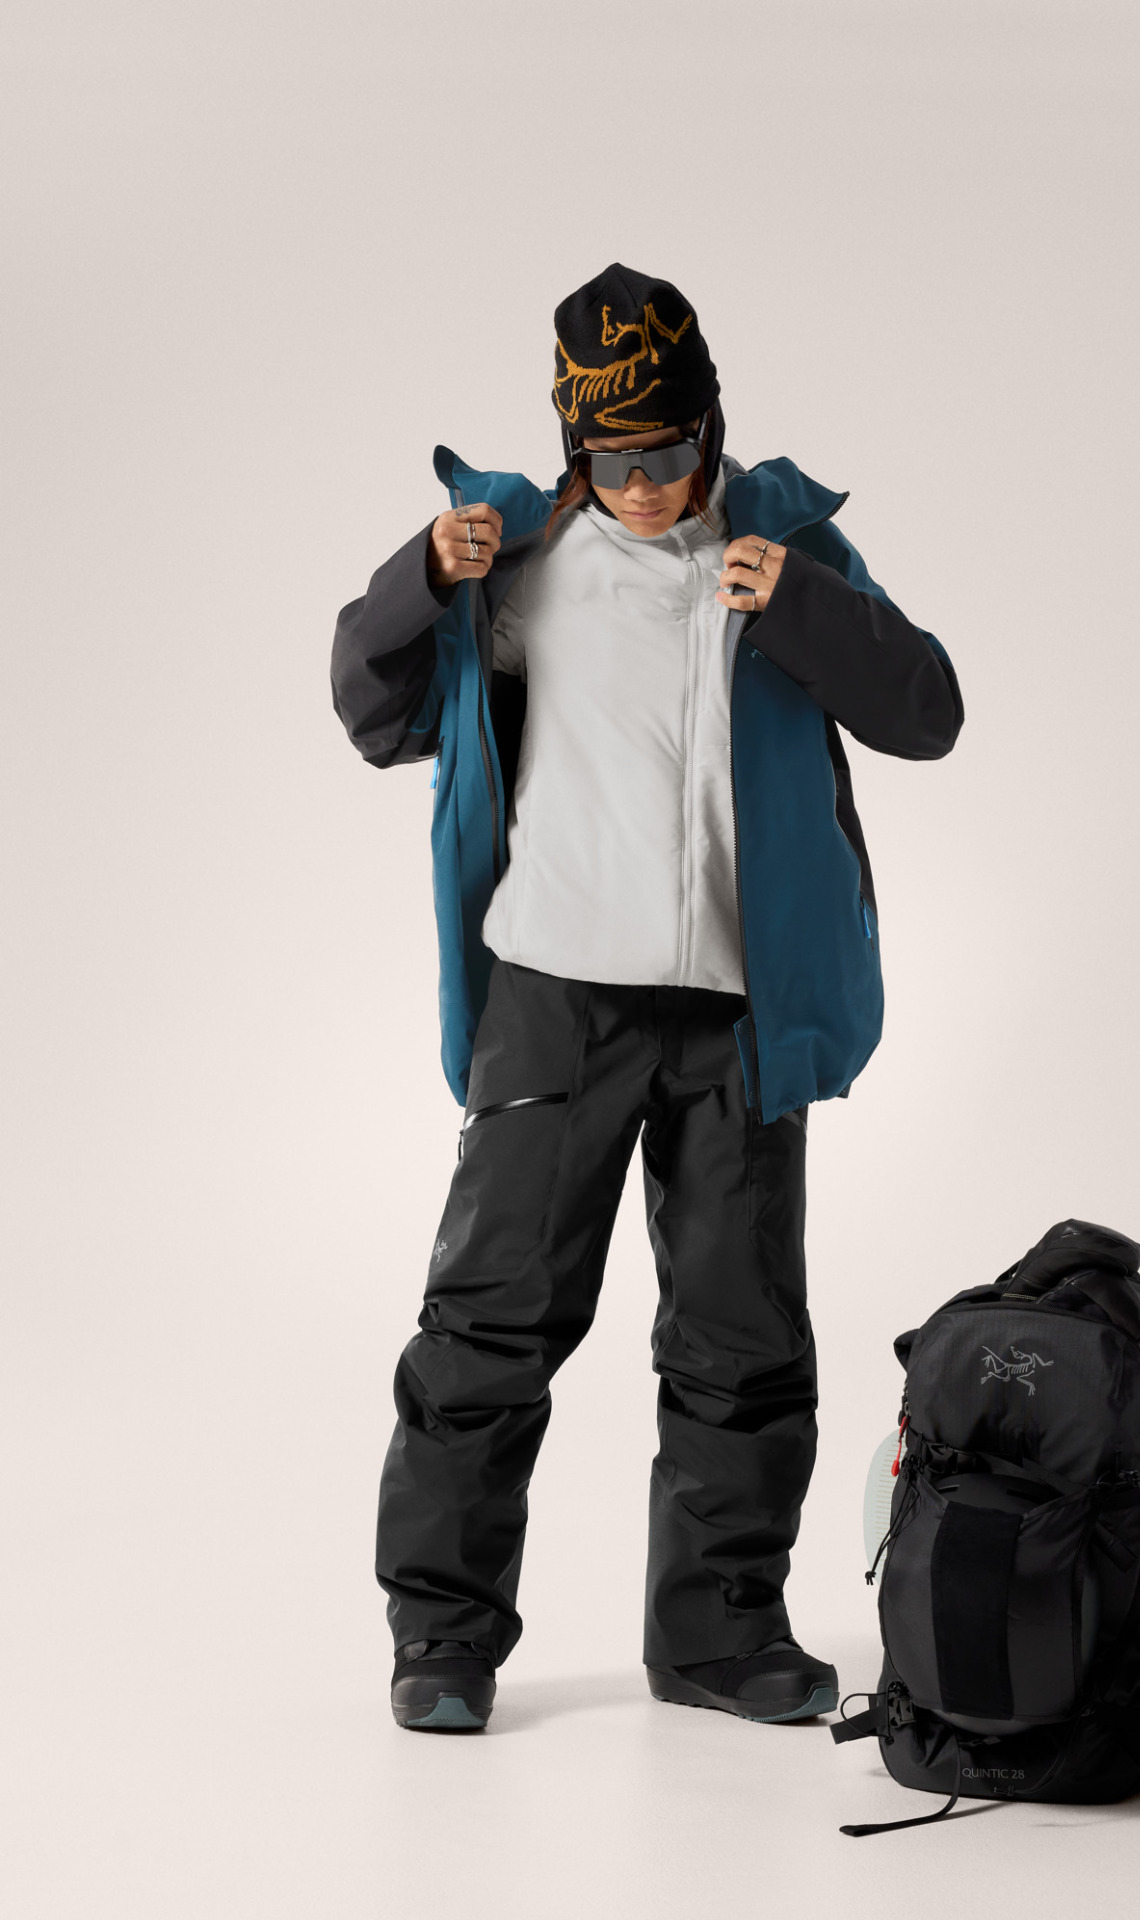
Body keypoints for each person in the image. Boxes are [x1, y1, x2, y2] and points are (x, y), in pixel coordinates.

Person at [331, 263, 963, 1732]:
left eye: (669, 452)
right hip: (555, 996)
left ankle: (718, 1636)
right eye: (614, 459)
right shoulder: (521, 560)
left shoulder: (790, 544)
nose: (644, 487)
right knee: (490, 1328)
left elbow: (927, 712)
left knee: (743, 1340)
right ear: (574, 445)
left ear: (710, 426)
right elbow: (374, 719)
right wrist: (418, 578)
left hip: (739, 1014)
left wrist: (801, 606)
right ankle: (443, 1641)